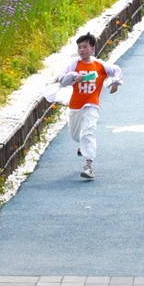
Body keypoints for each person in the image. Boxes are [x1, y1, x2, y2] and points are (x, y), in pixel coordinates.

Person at [55, 33, 121, 181]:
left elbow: (116, 70)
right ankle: (83, 146)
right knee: (75, 134)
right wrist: (73, 77)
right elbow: (61, 78)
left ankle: (89, 166)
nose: (82, 50)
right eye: (79, 47)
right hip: (75, 105)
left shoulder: (100, 66)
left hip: (92, 104)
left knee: (89, 131)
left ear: (92, 49)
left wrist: (115, 83)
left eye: (85, 47)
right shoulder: (74, 65)